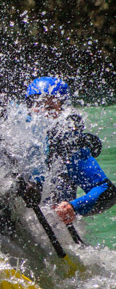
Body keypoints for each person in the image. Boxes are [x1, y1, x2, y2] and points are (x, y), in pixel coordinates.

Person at [23, 77, 116, 225]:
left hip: (55, 224)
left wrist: (73, 207)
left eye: (50, 107)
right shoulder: (14, 134)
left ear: (62, 111)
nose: (42, 113)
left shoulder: (69, 145)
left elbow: (107, 191)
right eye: (37, 105)